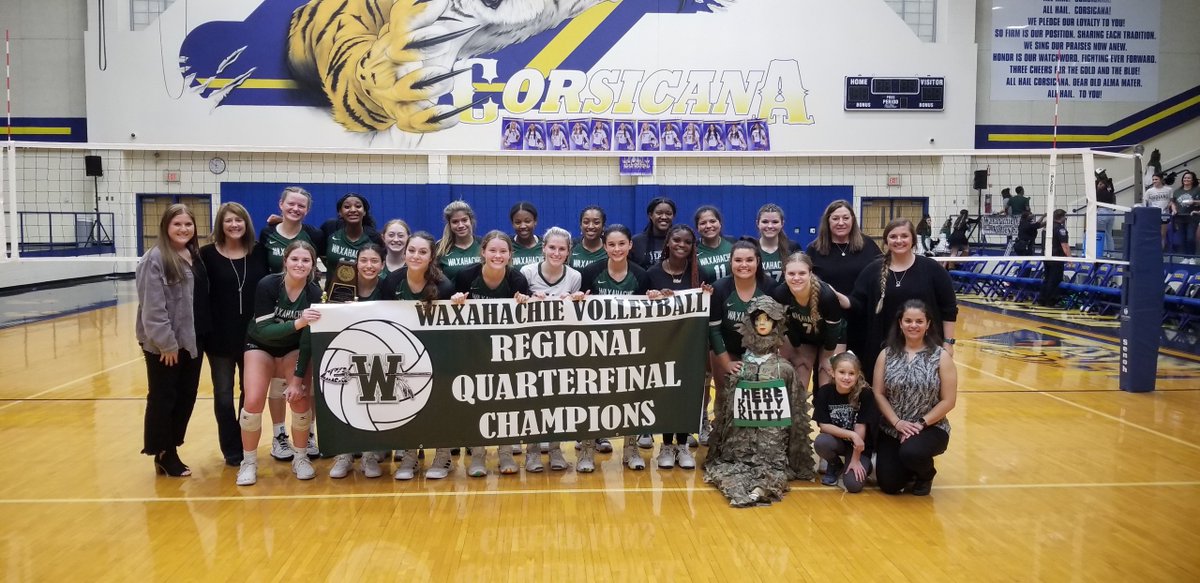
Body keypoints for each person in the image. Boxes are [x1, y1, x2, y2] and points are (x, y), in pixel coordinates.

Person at [704, 296, 811, 507]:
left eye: (768, 319)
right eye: (758, 319)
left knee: (772, 473)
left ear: (776, 324)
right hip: (740, 446)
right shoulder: (740, 368)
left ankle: (760, 491)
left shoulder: (784, 370)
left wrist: (798, 458)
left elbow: (796, 415)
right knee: (731, 472)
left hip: (771, 446)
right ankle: (741, 493)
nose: (762, 323)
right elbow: (726, 413)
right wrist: (717, 449)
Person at [236, 241, 324, 486]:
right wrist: (298, 323)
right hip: (259, 344)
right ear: (285, 261)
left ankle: (301, 456)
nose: (300, 264)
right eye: (295, 259)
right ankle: (249, 462)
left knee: (300, 398)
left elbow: (307, 340)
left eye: (306, 260)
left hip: (293, 348)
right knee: (252, 401)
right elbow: (264, 330)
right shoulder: (268, 285)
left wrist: (297, 380)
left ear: (313, 265)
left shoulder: (314, 292)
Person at [452, 231, 532, 477]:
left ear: (510, 255)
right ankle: (478, 455)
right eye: (493, 250)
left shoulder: (517, 280)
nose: (498, 255)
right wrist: (454, 301)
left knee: (505, 402)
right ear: (483, 252)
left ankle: (505, 452)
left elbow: (526, 319)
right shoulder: (466, 277)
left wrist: (524, 301)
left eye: (503, 251)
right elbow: (450, 318)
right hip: (473, 349)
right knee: (477, 402)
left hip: (506, 351)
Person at [379, 231, 456, 479]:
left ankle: (443, 456)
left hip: (437, 354)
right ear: (405, 251)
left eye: (423, 251)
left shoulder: (443, 285)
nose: (415, 255)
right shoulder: (392, 282)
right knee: (407, 403)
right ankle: (410, 455)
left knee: (441, 404)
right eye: (411, 250)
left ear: (432, 256)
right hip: (403, 354)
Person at [137, 204, 206, 477]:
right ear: (166, 227)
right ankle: (163, 453)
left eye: (188, 224)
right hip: (165, 346)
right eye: (177, 224)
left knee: (186, 397)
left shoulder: (193, 254)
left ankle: (172, 447)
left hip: (191, 341)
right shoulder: (154, 259)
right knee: (164, 398)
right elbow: (152, 308)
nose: (183, 229)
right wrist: (166, 344)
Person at [257, 186, 325, 462]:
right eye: (291, 204)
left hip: (304, 306)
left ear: (307, 210)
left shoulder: (314, 235)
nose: (295, 209)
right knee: (275, 384)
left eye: (301, 206)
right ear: (281, 205)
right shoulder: (266, 234)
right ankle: (279, 436)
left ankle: (307, 433)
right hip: (274, 309)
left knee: (303, 380)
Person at [200, 202, 269, 467]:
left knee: (249, 393)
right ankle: (231, 449)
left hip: (253, 336)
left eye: (239, 220)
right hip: (218, 337)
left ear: (246, 223)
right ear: (221, 224)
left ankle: (245, 443)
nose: (234, 225)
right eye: (229, 221)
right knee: (223, 395)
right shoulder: (206, 255)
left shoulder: (259, 252)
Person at [580, 224, 655, 471]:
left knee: (631, 397)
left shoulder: (641, 275)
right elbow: (578, 311)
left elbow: (647, 314)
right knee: (593, 398)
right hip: (595, 347)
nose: (616, 249)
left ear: (630, 245)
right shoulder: (591, 272)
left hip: (629, 347)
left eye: (622, 244)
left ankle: (630, 448)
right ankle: (587, 450)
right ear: (604, 246)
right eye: (611, 244)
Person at [850, 218, 958, 377]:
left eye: (904, 236)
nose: (899, 240)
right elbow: (856, 303)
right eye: (893, 237)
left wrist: (948, 343)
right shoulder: (873, 270)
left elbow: (949, 309)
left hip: (925, 347)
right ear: (886, 241)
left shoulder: (932, 269)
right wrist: (834, 297)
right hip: (882, 349)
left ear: (913, 239)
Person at [873, 300, 957, 496]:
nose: (913, 325)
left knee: (912, 452)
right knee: (890, 485)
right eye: (908, 320)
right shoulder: (886, 354)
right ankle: (908, 467)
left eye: (919, 321)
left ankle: (926, 474)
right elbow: (878, 393)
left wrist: (920, 424)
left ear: (928, 324)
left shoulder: (941, 356)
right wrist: (897, 422)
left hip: (930, 427)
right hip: (893, 428)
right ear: (900, 323)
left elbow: (949, 400)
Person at [707, 240, 781, 460]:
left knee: (756, 398)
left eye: (749, 260)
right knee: (724, 396)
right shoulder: (720, 288)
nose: (744, 265)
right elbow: (714, 330)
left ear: (758, 261)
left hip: (759, 351)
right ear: (731, 262)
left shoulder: (770, 287)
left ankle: (758, 446)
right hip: (726, 349)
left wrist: (765, 357)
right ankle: (721, 444)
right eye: (738, 260)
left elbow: (777, 327)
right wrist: (726, 362)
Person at [520, 227, 584, 472]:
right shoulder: (526, 273)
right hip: (532, 347)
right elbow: (516, 305)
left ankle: (556, 448)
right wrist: (529, 299)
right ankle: (533, 451)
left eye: (562, 249)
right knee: (534, 398)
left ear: (568, 252)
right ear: (543, 248)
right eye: (552, 247)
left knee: (558, 398)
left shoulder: (574, 276)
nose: (556, 252)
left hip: (562, 347)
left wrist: (575, 301)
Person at [327, 244, 389, 480]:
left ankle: (370, 454)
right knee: (344, 400)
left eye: (374, 261)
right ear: (356, 263)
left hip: (378, 354)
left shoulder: (387, 286)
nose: (369, 266)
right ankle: (344, 454)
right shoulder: (341, 285)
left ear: (382, 265)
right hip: (344, 351)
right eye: (364, 260)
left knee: (374, 403)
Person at [645, 224, 703, 470]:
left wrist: (706, 293)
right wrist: (653, 297)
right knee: (666, 394)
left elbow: (707, 305)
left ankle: (683, 444)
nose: (681, 245)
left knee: (686, 395)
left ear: (692, 247)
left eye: (687, 242)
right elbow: (637, 308)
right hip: (661, 345)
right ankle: (666, 445)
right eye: (676, 240)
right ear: (668, 242)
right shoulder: (652, 273)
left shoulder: (701, 272)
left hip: (690, 346)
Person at [805, 200, 881, 361]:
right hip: (828, 320)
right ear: (827, 221)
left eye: (846, 218)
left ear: (853, 220)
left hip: (862, 319)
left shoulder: (868, 245)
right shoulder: (815, 248)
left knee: (861, 368)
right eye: (835, 218)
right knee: (829, 370)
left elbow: (880, 276)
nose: (841, 223)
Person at [771, 252, 845, 389]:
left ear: (810, 273)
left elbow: (834, 329)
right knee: (801, 368)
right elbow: (787, 324)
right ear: (784, 274)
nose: (796, 278)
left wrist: (828, 355)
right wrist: (797, 346)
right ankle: (799, 409)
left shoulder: (826, 296)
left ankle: (825, 406)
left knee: (827, 371)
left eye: (802, 273)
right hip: (804, 335)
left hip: (832, 337)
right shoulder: (780, 294)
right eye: (791, 274)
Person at [813, 352, 877, 493]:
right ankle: (835, 464)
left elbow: (861, 427)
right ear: (832, 372)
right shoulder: (824, 392)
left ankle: (865, 465)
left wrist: (856, 459)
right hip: (838, 443)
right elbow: (824, 426)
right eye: (842, 372)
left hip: (860, 447)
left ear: (857, 374)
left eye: (851, 373)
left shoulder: (865, 394)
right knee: (821, 442)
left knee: (853, 486)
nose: (846, 377)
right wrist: (851, 435)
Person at [321, 192, 384, 288]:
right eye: (347, 207)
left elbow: (381, 264)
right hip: (332, 293)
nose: (353, 210)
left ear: (364, 211)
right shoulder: (330, 228)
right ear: (340, 212)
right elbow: (318, 251)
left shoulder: (373, 237)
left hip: (363, 294)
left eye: (358, 206)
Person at [436, 200, 482, 281]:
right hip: (451, 294)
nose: (460, 225)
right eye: (455, 222)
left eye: (464, 220)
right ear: (449, 224)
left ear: (471, 220)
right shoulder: (440, 248)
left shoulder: (483, 244)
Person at [631, 197, 676, 268]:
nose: (664, 217)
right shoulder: (636, 242)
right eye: (659, 213)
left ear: (673, 216)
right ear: (650, 215)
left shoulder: (679, 241)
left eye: (668, 213)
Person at [1038, 209, 1070, 307]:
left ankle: (1042, 299)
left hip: (1046, 256)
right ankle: (1051, 301)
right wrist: (1070, 258)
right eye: (1065, 216)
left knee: (1047, 278)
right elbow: (1064, 245)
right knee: (1055, 280)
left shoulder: (1047, 227)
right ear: (1062, 217)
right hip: (1056, 258)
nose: (1066, 218)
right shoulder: (1060, 229)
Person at [695, 205, 735, 283]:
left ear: (720, 223)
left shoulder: (733, 243)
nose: (708, 226)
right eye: (703, 223)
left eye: (712, 221)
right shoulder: (693, 249)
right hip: (707, 294)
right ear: (697, 228)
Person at [755, 203, 793, 281]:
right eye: (765, 222)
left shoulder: (792, 248)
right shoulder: (751, 248)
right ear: (757, 223)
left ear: (782, 224)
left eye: (775, 222)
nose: (770, 226)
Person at [570, 205, 608, 270]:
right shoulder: (571, 246)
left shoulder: (610, 248)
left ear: (603, 226)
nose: (590, 226)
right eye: (586, 222)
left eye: (596, 222)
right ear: (580, 226)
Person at [1144, 172, 1173, 250]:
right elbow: (1145, 203)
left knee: (1162, 234)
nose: (1154, 181)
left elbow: (1171, 200)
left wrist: (1169, 206)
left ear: (1161, 180)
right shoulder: (1149, 191)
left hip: (1164, 214)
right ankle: (1153, 249)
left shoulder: (1168, 189)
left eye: (1156, 179)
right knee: (1153, 233)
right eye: (1153, 179)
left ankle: (1161, 250)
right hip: (1153, 214)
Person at [509, 201, 543, 269]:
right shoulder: (507, 246)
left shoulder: (545, 245)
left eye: (527, 221)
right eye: (518, 222)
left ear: (535, 221)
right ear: (512, 223)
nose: (523, 226)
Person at [1171, 170, 1198, 255]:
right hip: (1180, 217)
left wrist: (1193, 202)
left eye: (1189, 178)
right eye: (1185, 178)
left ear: (1192, 180)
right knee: (1182, 238)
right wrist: (1174, 209)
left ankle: (1192, 257)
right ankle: (1185, 257)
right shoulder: (1177, 191)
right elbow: (1172, 202)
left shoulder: (1197, 190)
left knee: (1190, 238)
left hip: (1192, 217)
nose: (1186, 179)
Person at [1095, 170, 1117, 251]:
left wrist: (1098, 186)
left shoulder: (1098, 187)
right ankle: (1111, 253)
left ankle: (1103, 253)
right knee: (1109, 234)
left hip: (1102, 211)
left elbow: (1094, 195)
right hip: (1111, 212)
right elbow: (1112, 192)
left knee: (1101, 234)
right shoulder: (1110, 186)